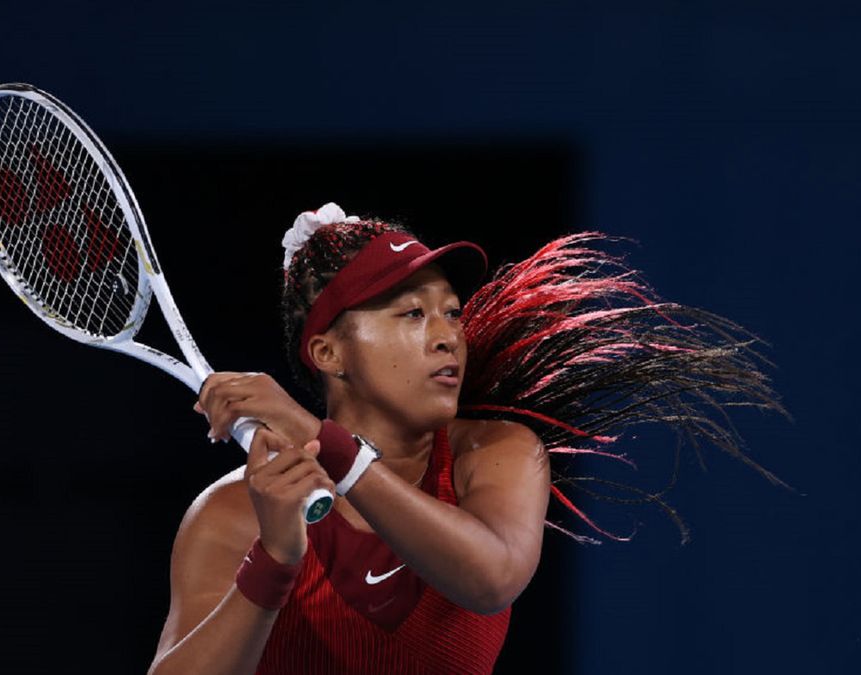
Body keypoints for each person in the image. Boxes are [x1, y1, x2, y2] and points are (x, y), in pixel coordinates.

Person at [146, 203, 790, 674]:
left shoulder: (498, 453)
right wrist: (277, 562)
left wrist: (329, 446)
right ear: (329, 352)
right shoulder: (231, 514)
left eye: (452, 311)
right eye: (412, 314)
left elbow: (491, 577)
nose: (447, 334)